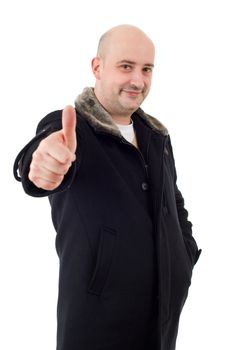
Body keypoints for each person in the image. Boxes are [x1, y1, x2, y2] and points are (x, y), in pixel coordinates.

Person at [13, 24, 201, 350]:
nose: (138, 80)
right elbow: (42, 158)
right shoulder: (70, 128)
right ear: (97, 67)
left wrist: (184, 254)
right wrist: (44, 166)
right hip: (98, 324)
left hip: (163, 320)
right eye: (126, 66)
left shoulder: (157, 136)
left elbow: (174, 200)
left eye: (147, 69)